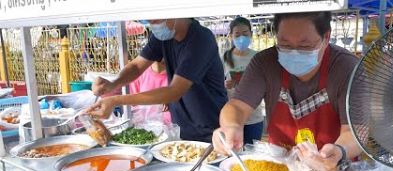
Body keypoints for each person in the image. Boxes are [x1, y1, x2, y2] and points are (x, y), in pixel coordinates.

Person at [212, 11, 362, 171]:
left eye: (305, 46)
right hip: (282, 169)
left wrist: (340, 150)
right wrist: (231, 126)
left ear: (326, 37)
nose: (294, 52)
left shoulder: (347, 68)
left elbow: (356, 131)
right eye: (285, 45)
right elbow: (237, 106)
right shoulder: (265, 63)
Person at [87, 19, 228, 142]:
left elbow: (175, 91)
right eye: (149, 20)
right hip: (180, 130)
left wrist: (116, 100)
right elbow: (137, 66)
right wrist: (113, 83)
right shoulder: (163, 37)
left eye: (156, 19)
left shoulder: (200, 39)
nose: (152, 23)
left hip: (212, 132)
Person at [222, 17, 265, 145]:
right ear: (231, 36)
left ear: (251, 34)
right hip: (232, 117)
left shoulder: (258, 57)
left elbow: (266, 84)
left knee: (252, 153)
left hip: (254, 117)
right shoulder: (224, 58)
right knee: (233, 152)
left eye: (245, 34)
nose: (242, 38)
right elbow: (217, 84)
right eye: (237, 34)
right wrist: (225, 85)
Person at [129, 60, 171, 125]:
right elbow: (133, 106)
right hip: (146, 128)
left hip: (173, 129)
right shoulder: (139, 74)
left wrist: (172, 101)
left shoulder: (178, 76)